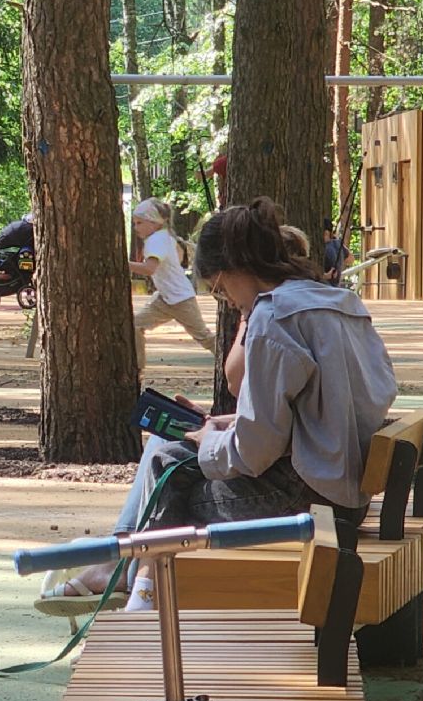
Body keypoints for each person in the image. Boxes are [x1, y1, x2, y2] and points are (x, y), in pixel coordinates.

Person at [39, 198, 398, 615]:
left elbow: (255, 451)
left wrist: (211, 440)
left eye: (219, 288)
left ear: (232, 271)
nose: (225, 300)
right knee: (166, 447)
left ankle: (129, 577)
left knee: (167, 480)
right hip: (345, 487)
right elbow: (334, 405)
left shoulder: (273, 318)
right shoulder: (337, 301)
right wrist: (220, 424)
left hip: (308, 502)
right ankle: (123, 568)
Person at [126, 198, 219, 361]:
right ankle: (137, 368)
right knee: (135, 325)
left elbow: (149, 268)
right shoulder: (164, 237)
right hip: (165, 298)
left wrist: (124, 264)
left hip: (181, 300)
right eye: (135, 223)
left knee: (204, 337)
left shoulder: (157, 240)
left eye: (139, 223)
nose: (135, 228)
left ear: (154, 223)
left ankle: (232, 358)